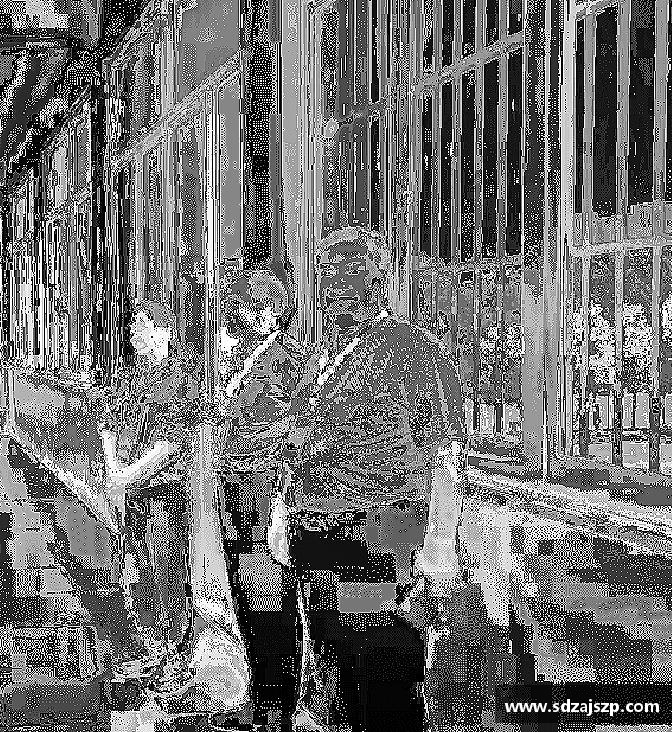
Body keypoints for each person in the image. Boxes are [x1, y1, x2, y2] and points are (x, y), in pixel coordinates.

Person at [269, 226, 467, 732]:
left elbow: (446, 453)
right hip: (318, 544)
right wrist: (282, 513)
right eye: (329, 277)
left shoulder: (411, 350)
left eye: (350, 275)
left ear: (377, 282)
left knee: (379, 678)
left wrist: (440, 546)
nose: (338, 289)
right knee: (335, 677)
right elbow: (299, 443)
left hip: (376, 539)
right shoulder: (326, 359)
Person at [99, 299, 250, 718]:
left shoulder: (179, 380)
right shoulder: (131, 379)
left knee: (167, 576)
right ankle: (155, 655)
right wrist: (114, 469)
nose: (134, 335)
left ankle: (174, 663)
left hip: (163, 492)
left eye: (142, 326)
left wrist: (124, 475)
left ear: (164, 331)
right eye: (132, 328)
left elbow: (169, 444)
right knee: (139, 573)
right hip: (133, 494)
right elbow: (110, 425)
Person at [214, 271, 309, 729]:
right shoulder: (245, 361)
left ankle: (276, 706)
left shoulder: (288, 363)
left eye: (244, 308)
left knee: (267, 599)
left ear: (269, 311)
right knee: (246, 598)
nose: (236, 318)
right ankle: (262, 695)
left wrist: (278, 501)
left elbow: (290, 434)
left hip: (261, 491)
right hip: (236, 492)